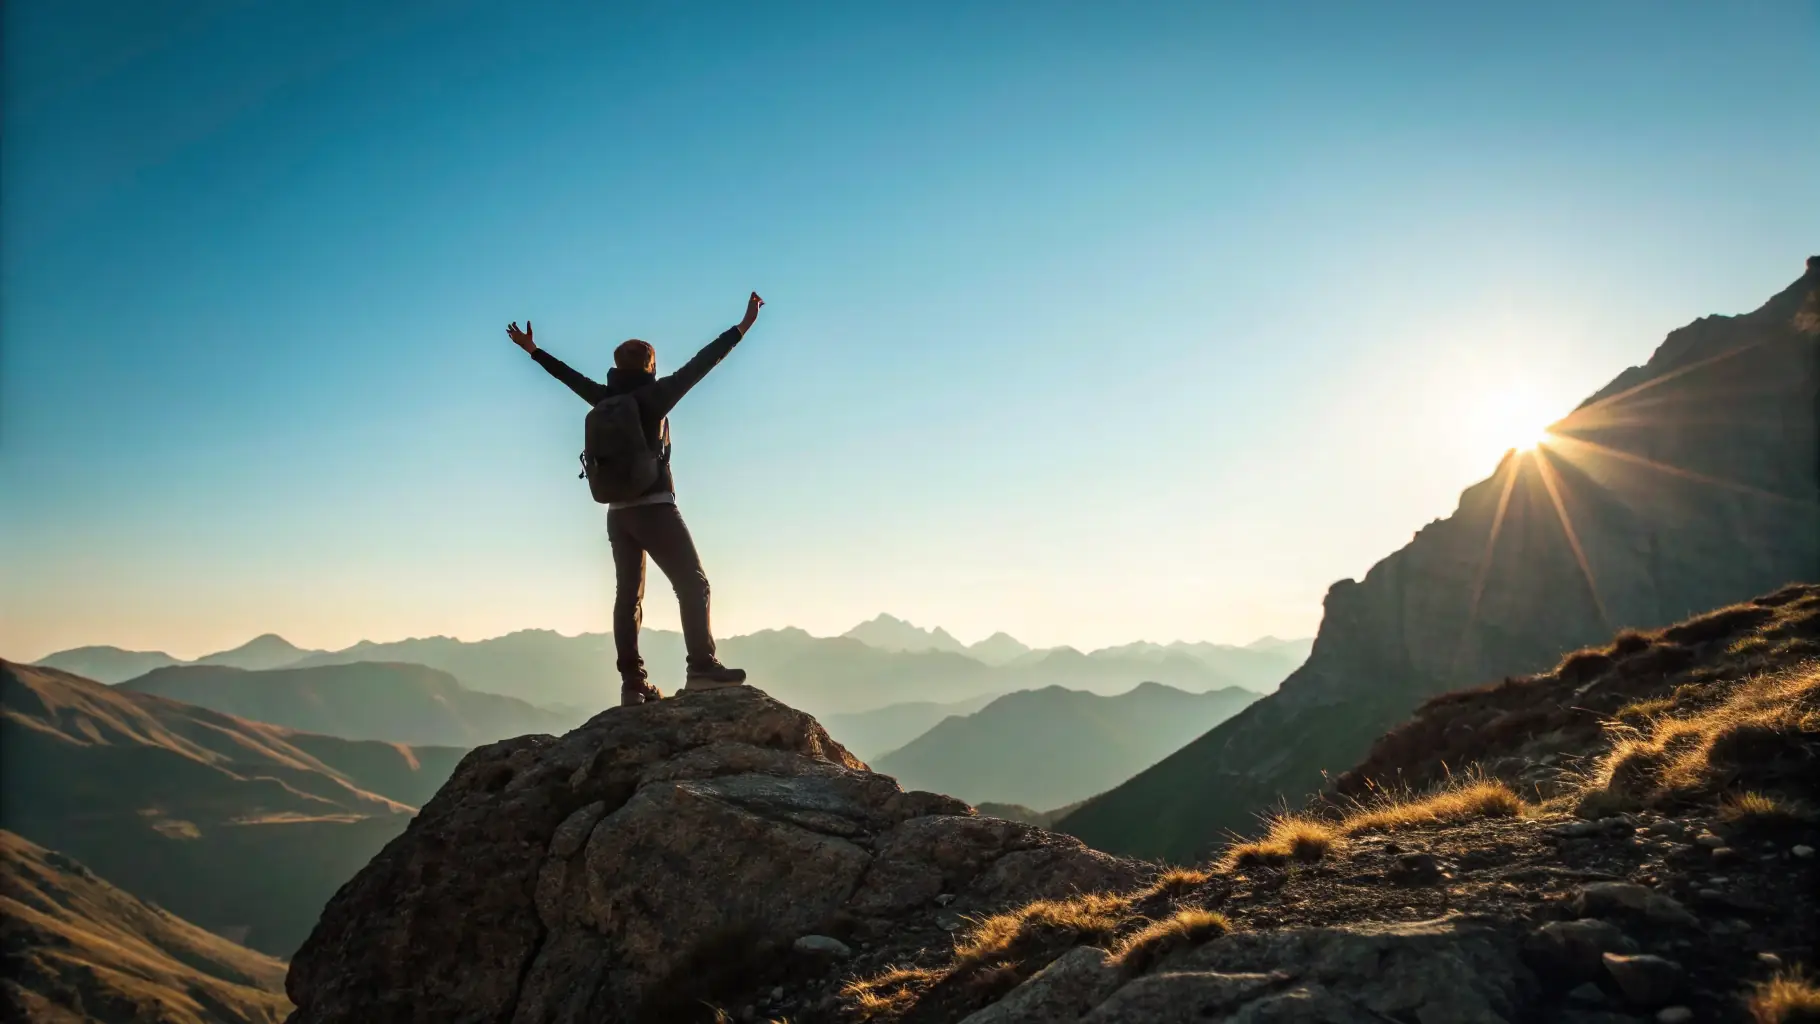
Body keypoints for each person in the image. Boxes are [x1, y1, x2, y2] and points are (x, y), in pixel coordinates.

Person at [506, 292, 763, 706]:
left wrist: (533, 350)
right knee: (693, 586)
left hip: (616, 515)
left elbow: (567, 377)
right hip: (655, 508)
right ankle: (701, 668)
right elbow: (703, 363)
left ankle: (633, 685)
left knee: (628, 599)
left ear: (616, 367)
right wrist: (744, 326)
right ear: (651, 366)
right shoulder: (655, 397)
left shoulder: (604, 398)